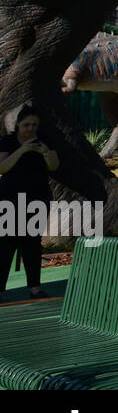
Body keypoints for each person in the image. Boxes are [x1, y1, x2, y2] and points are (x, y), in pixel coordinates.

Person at [0, 105, 60, 299]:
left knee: (32, 243)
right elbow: (3, 168)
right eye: (26, 125)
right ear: (18, 125)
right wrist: (23, 150)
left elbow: (54, 165)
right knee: (6, 243)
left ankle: (34, 287)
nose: (30, 129)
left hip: (37, 198)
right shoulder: (7, 142)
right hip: (9, 199)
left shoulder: (44, 142)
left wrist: (44, 152)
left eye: (34, 125)